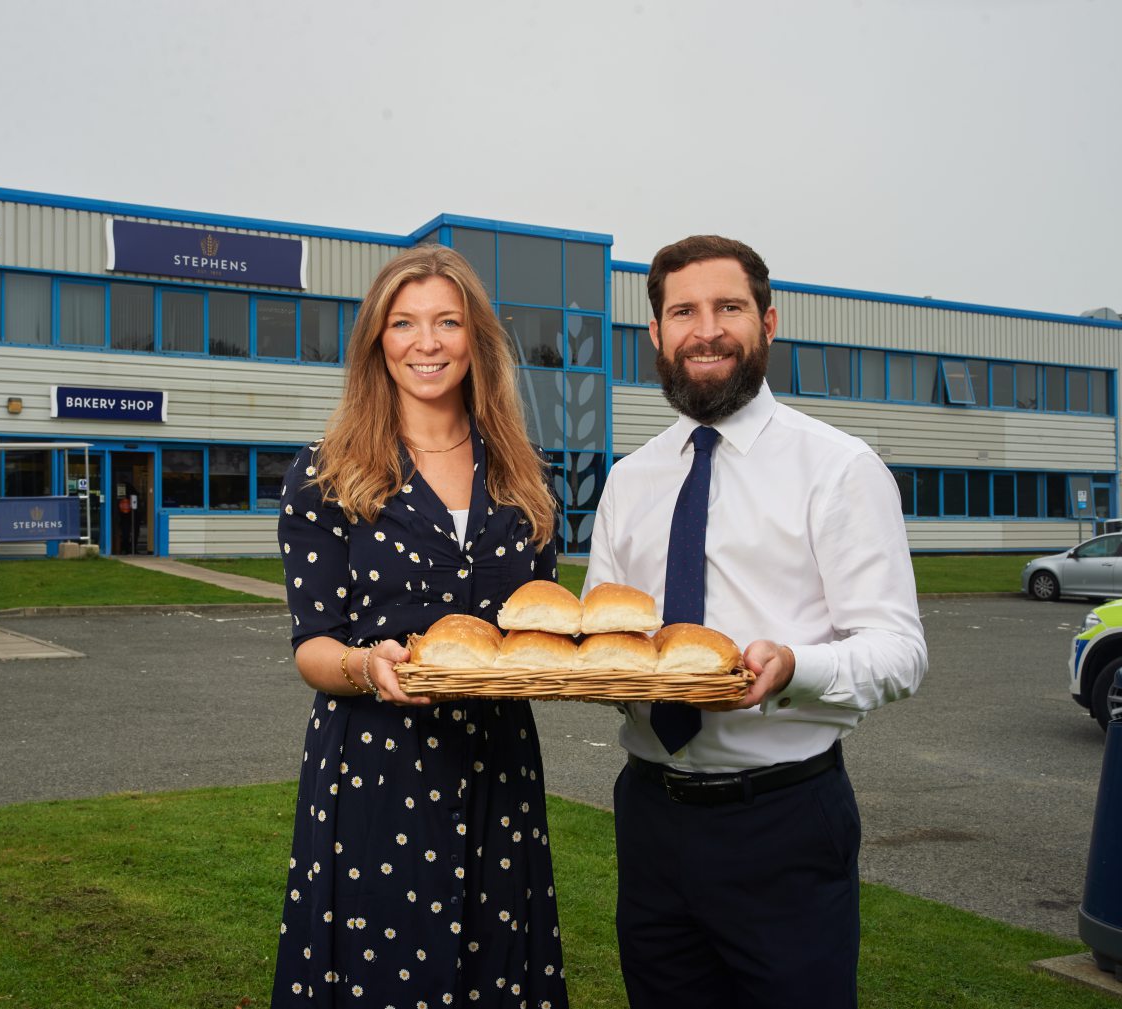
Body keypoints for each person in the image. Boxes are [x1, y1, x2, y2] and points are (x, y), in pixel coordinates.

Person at [584, 235, 927, 1009]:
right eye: (684, 312)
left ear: (768, 323)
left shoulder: (838, 468)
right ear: (656, 334)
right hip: (650, 815)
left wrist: (795, 666)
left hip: (782, 820)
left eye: (728, 308)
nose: (706, 330)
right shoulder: (629, 480)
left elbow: (900, 650)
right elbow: (604, 638)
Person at [272, 245, 570, 1008]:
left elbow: (539, 626)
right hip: (377, 770)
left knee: (497, 971)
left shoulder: (526, 473)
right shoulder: (326, 473)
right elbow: (314, 645)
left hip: (499, 765)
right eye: (403, 323)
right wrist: (366, 666)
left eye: (448, 321)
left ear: (477, 339)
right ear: (377, 340)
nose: (426, 342)